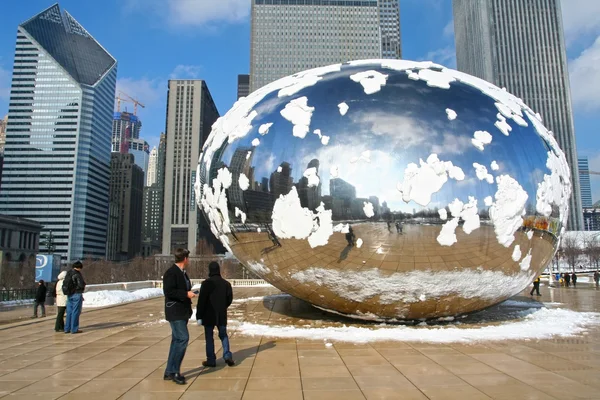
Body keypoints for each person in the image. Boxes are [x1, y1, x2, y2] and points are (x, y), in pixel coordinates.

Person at [163, 248, 195, 385]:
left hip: (182, 311)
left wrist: (188, 293)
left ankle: (169, 371)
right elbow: (169, 291)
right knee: (183, 338)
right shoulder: (171, 273)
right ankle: (175, 371)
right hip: (175, 312)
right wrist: (186, 294)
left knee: (176, 340)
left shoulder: (182, 273)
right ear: (185, 259)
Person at [197, 261, 235, 368]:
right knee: (223, 335)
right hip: (221, 314)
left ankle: (211, 360)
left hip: (208, 316)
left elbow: (201, 302)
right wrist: (223, 307)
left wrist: (199, 316)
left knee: (209, 337)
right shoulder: (226, 284)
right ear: (219, 270)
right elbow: (229, 299)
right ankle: (227, 355)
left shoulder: (206, 284)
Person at [63, 261, 86, 334]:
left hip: (69, 294)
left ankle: (67, 328)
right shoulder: (77, 274)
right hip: (76, 293)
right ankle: (74, 329)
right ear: (79, 267)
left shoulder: (68, 273)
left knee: (69, 312)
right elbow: (81, 285)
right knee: (76, 311)